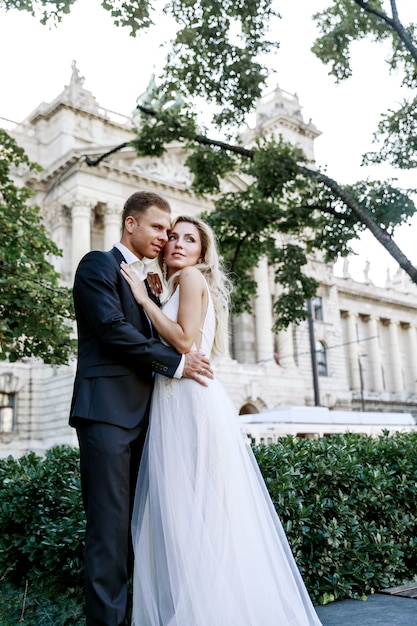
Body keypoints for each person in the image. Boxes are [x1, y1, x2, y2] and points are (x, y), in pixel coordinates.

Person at [121, 215, 323, 626]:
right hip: (174, 397)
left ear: (201, 251)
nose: (177, 244)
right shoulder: (176, 285)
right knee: (188, 511)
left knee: (198, 509)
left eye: (189, 239)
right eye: (172, 237)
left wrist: (143, 300)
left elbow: (181, 340)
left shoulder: (192, 278)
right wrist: (155, 297)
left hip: (190, 399)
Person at [69, 192, 213, 626]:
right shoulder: (97, 265)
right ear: (130, 223)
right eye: (157, 228)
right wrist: (177, 363)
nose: (165, 238)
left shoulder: (154, 282)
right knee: (109, 534)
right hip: (108, 415)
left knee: (142, 534)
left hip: (150, 419)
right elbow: (112, 330)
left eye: (170, 232)